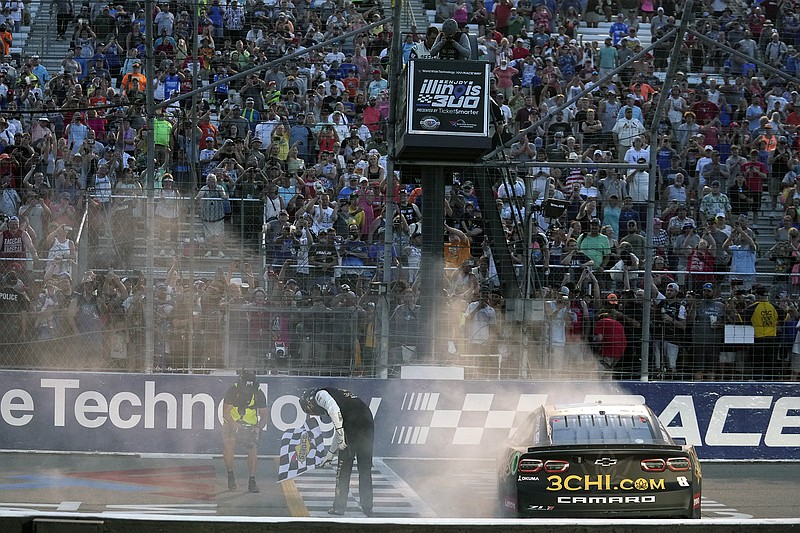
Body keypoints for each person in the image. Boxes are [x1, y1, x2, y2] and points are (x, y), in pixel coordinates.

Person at [300, 387, 374, 516]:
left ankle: (339, 507)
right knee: (365, 469)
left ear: (309, 402)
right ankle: (367, 507)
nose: (316, 414)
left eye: (310, 410)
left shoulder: (320, 394)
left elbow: (335, 412)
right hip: (366, 420)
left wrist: (341, 437)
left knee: (343, 470)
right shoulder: (340, 395)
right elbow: (340, 427)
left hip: (353, 422)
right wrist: (330, 454)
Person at [222, 371, 267, 493]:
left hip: (251, 425)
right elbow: (226, 412)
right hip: (232, 422)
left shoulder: (258, 393)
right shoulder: (232, 391)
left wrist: (258, 428)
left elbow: (264, 416)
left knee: (252, 449)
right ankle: (230, 475)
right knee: (229, 445)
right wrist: (235, 425)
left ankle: (252, 480)